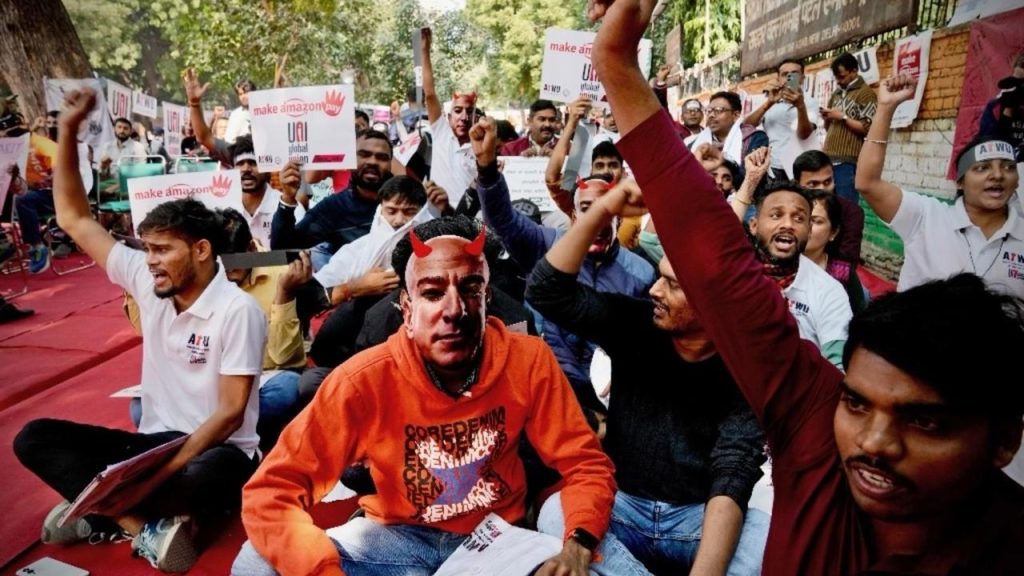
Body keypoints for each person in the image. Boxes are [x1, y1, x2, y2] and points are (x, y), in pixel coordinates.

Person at [590, 2, 1024, 572]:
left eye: (925, 422)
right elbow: (715, 265)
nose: (874, 442)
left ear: (1003, 441)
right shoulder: (818, 433)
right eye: (855, 403)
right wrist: (616, 63)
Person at [231, 216, 647, 576]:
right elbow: (273, 491)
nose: (454, 310)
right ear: (406, 308)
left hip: (499, 539)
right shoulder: (362, 380)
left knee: (580, 530)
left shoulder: (528, 359)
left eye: (470, 289)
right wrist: (323, 570)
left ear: (486, 299)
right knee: (257, 561)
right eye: (432, 293)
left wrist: (577, 545)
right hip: (396, 541)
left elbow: (584, 464)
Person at [13, 88, 266, 573]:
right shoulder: (150, 282)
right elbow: (73, 217)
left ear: (201, 251)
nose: (149, 262)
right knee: (33, 438)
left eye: (162, 249)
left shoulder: (239, 310)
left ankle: (99, 508)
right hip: (152, 446)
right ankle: (136, 523)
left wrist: (157, 473)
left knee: (204, 476)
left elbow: (230, 415)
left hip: (216, 452)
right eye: (146, 248)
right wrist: (67, 131)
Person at [527, 180, 769, 575]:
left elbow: (733, 474)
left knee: (764, 539)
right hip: (623, 506)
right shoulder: (635, 323)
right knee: (556, 513)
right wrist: (602, 210)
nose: (654, 290)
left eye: (672, 285)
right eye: (660, 276)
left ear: (715, 301)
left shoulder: (748, 364)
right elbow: (545, 291)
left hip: (696, 517)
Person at [477, 116, 656, 416]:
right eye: (588, 209)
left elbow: (647, 339)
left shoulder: (642, 272)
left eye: (606, 208)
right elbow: (502, 220)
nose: (598, 219)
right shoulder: (545, 244)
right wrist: (487, 169)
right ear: (573, 215)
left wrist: (629, 375)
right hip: (549, 389)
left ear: (617, 215)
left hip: (613, 399)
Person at [856, 74, 1024, 300]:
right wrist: (886, 108)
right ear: (960, 181)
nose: (997, 175)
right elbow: (867, 183)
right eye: (982, 168)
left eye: (1008, 167)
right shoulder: (926, 217)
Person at [270, 130, 393, 270]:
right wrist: (287, 198)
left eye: (382, 157)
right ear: (350, 159)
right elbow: (283, 248)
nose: (372, 162)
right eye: (364, 155)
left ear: (391, 163)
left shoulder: (406, 199)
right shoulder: (334, 208)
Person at [421, 27, 478, 208]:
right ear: (448, 115)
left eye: (469, 112)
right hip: (436, 213)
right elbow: (430, 94)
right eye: (458, 110)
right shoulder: (441, 132)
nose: (464, 117)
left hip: (470, 217)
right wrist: (425, 51)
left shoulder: (482, 147)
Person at [744, 58, 820, 180]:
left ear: (802, 78)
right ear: (778, 79)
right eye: (785, 74)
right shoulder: (770, 101)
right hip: (773, 167)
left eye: (794, 74)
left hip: (801, 167)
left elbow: (804, 135)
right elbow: (747, 126)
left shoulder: (810, 103)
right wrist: (769, 103)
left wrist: (800, 106)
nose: (789, 77)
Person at [821, 52, 876, 203]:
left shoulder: (866, 94)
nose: (839, 81)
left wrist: (843, 117)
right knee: (828, 206)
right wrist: (827, 118)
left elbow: (868, 129)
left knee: (846, 206)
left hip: (848, 161)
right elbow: (828, 128)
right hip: (828, 159)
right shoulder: (836, 94)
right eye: (836, 78)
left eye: (842, 76)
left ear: (854, 71)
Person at [225, 79, 255, 144]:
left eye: (246, 93)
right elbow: (229, 140)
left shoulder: (262, 111)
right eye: (240, 94)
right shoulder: (235, 115)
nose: (243, 97)